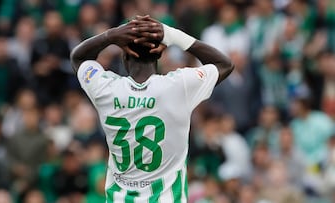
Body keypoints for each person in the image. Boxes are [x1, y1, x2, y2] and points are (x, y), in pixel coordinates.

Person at [70, 15, 234, 202]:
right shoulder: (179, 86)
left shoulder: (106, 88)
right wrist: (173, 36)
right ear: (159, 54)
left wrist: (111, 36)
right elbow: (225, 64)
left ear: (124, 55)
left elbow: (78, 58)